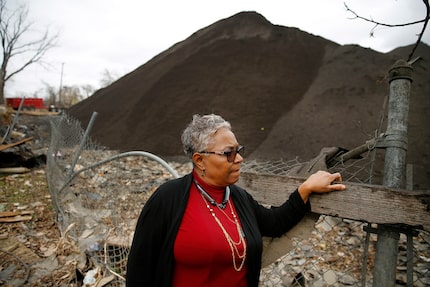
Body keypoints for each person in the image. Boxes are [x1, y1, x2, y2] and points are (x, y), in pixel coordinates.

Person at [126, 114, 346, 287]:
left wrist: (305, 189)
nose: (240, 158)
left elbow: (274, 223)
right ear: (200, 160)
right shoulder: (167, 199)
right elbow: (140, 271)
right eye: (229, 153)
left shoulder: (238, 197)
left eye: (239, 151)